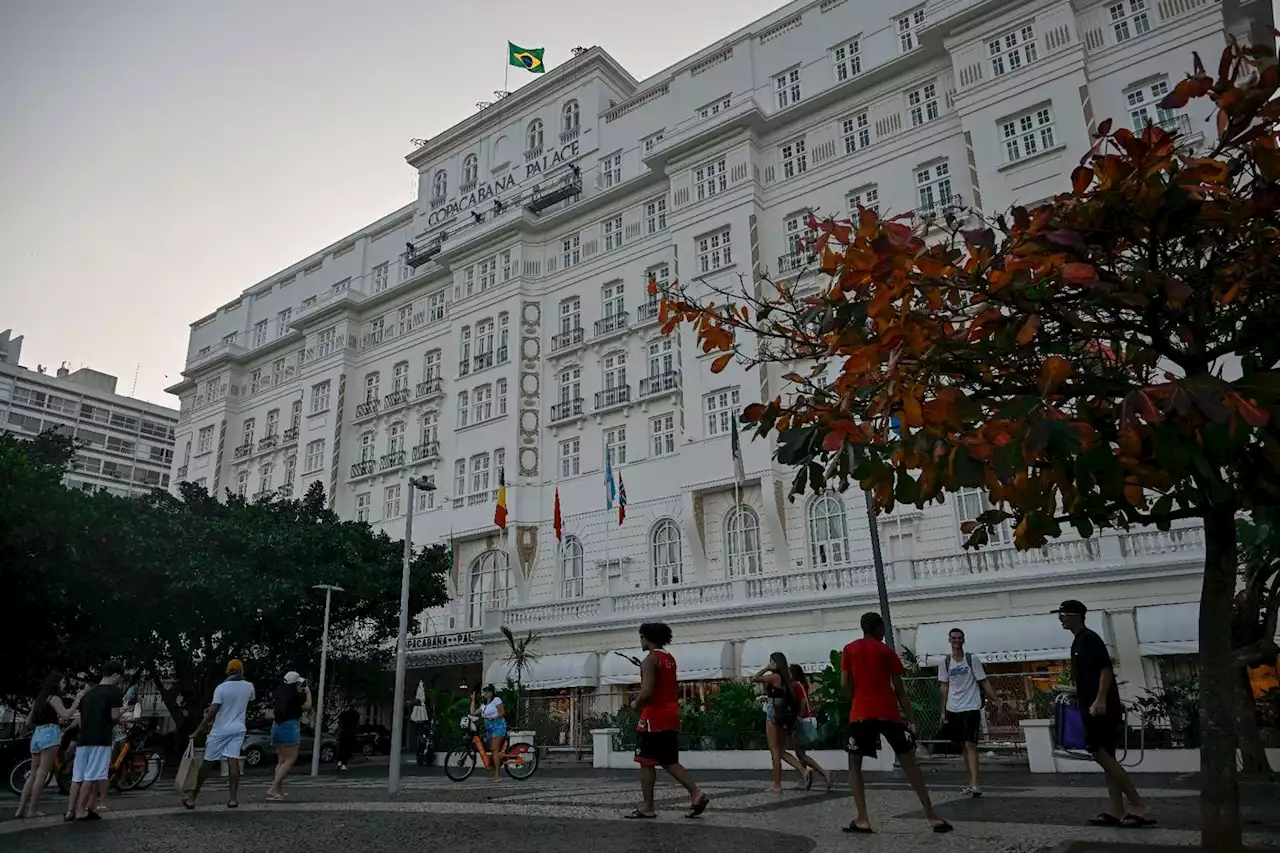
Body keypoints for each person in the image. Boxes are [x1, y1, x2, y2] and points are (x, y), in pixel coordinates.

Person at [841, 613, 951, 834]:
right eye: (883, 628)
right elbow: (900, 690)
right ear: (878, 627)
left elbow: (844, 682)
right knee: (909, 763)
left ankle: (863, 818)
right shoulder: (886, 652)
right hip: (888, 712)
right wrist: (910, 717)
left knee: (854, 765)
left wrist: (855, 701)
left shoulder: (849, 649)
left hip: (861, 712)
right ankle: (931, 815)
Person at [1056, 600, 1156, 827]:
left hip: (1100, 708)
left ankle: (1138, 805)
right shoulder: (1078, 641)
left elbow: (1105, 669)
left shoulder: (1089, 639)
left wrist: (1100, 699)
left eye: (1063, 614)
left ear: (1077, 615)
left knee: (1098, 752)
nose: (1060, 619)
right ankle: (1116, 808)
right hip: (1091, 703)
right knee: (1106, 757)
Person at [626, 622, 710, 820]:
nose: (640, 640)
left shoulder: (650, 660)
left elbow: (647, 692)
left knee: (646, 762)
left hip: (653, 718)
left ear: (647, 637)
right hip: (671, 714)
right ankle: (696, 793)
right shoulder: (669, 659)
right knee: (669, 760)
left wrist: (635, 703)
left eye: (641, 637)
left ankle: (648, 807)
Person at [183, 659, 255, 810]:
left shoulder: (221, 688)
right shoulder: (249, 686)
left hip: (220, 730)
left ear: (228, 671)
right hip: (238, 728)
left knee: (208, 763)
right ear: (241, 671)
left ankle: (192, 798)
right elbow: (249, 700)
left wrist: (198, 731)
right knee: (233, 761)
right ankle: (233, 799)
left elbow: (213, 711)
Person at [938, 628, 999, 797]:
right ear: (949, 640)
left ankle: (975, 784)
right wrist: (942, 711)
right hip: (953, 707)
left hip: (971, 706)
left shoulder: (972, 660)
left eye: (959, 638)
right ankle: (970, 782)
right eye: (954, 638)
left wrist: (996, 700)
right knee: (963, 746)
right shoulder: (945, 662)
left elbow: (984, 681)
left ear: (963, 640)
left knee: (971, 744)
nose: (956, 641)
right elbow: (944, 686)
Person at [67, 661, 125, 822]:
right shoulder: (114, 692)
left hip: (83, 737)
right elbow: (114, 717)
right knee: (91, 775)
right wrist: (122, 715)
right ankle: (81, 811)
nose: (119, 680)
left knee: (77, 776)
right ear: (115, 674)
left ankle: (70, 811)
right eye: (119, 677)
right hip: (100, 738)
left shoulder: (88, 694)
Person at [14, 672, 73, 819]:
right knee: (42, 773)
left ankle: (20, 809)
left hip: (37, 734)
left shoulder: (39, 699)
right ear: (56, 683)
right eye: (62, 682)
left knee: (33, 773)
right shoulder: (54, 698)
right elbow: (65, 715)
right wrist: (77, 701)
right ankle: (32, 809)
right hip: (50, 734)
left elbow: (28, 722)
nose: (64, 684)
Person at [751, 652, 809, 792]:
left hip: (773, 713)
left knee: (775, 751)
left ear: (775, 663)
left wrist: (766, 668)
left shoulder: (774, 676)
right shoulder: (787, 677)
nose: (770, 663)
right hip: (782, 715)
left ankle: (776, 785)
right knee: (781, 751)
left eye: (771, 661)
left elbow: (754, 678)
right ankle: (803, 770)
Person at [267, 671, 311, 801]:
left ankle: (278, 790)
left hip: (277, 727)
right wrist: (308, 693)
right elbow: (307, 707)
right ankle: (274, 787)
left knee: (281, 760)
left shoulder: (279, 694)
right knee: (290, 759)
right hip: (289, 727)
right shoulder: (296, 696)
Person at [790, 665, 834, 791]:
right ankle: (804, 779)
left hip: (802, 721)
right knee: (801, 752)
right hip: (809, 719)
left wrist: (798, 717)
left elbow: (803, 702)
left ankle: (824, 773)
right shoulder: (802, 684)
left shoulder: (795, 685)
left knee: (800, 754)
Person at [471, 685, 506, 782]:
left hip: (498, 726)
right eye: (484, 692)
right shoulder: (484, 705)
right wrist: (473, 700)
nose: (485, 694)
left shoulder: (497, 700)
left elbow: (502, 712)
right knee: (492, 749)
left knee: (494, 749)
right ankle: (495, 772)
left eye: (486, 692)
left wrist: (495, 717)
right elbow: (473, 712)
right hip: (489, 729)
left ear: (491, 692)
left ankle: (498, 775)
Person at [337, 704, 360, 772]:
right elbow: (357, 725)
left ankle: (339, 761)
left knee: (342, 747)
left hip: (344, 732)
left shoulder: (344, 713)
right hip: (351, 733)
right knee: (347, 749)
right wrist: (357, 733)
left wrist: (338, 732)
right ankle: (344, 764)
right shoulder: (356, 714)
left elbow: (340, 724)